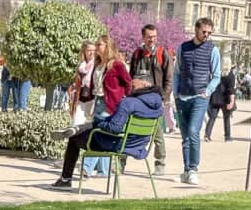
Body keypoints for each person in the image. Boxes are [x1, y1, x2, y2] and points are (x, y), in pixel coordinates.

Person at [50, 70, 162, 188]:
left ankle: (65, 180)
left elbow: (114, 128)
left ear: (145, 85)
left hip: (117, 144)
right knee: (94, 125)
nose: (131, 89)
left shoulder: (128, 103)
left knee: (75, 138)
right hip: (139, 145)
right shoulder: (159, 106)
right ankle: (79, 128)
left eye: (134, 86)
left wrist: (99, 122)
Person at [173, 18, 221, 186]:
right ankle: (186, 170)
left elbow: (216, 76)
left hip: (200, 98)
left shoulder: (213, 50)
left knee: (194, 131)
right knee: (185, 136)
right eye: (204, 32)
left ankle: (193, 169)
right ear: (196, 30)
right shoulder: (182, 48)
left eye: (209, 32)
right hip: (182, 97)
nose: (206, 35)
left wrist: (207, 92)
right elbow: (177, 72)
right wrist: (176, 94)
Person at [81, 34, 131, 178]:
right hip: (98, 101)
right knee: (104, 135)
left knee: (98, 132)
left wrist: (124, 100)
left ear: (107, 46)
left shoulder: (117, 65)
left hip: (111, 104)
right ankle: (104, 170)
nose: (96, 47)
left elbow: (128, 83)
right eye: (96, 44)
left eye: (99, 45)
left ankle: (87, 167)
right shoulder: (98, 64)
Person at [129, 24, 173, 176]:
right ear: (143, 38)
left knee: (157, 133)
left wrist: (164, 98)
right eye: (149, 37)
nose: (152, 40)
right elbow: (131, 76)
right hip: (138, 99)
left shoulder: (162, 53)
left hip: (155, 100)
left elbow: (169, 78)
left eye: (154, 37)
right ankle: (121, 162)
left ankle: (160, 162)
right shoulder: (136, 54)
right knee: (131, 129)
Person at [204, 68, 236, 142]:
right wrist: (232, 101)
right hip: (225, 98)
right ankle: (227, 137)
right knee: (226, 118)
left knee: (212, 117)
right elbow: (231, 90)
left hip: (215, 97)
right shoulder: (230, 74)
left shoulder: (215, 72)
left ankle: (207, 135)